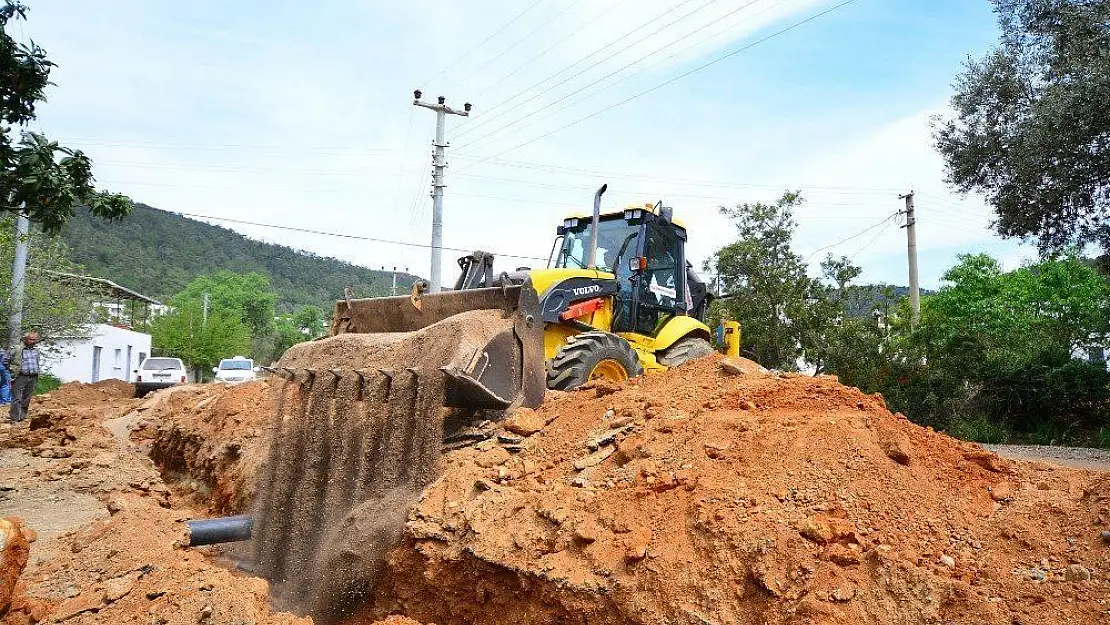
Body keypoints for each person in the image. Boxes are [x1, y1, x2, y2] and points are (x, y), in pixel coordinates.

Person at [8, 331, 41, 423]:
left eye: (35, 339)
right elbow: (6, 360)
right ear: (25, 339)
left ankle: (22, 416)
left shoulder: (36, 350)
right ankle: (14, 418)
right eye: (31, 339)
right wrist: (11, 371)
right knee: (16, 398)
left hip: (33, 376)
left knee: (27, 397)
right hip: (20, 376)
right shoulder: (17, 349)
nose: (33, 341)